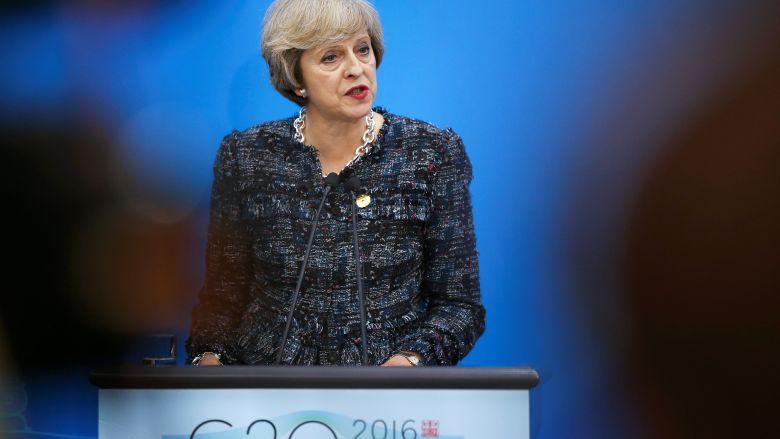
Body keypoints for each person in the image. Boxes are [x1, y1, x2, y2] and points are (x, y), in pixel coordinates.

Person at [186, 0, 485, 366]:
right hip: (262, 396)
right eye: (331, 57)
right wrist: (209, 360)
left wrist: (410, 360)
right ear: (296, 77)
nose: (356, 68)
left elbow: (459, 306)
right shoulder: (247, 158)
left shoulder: (430, 153)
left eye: (362, 50)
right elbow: (222, 300)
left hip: (388, 402)